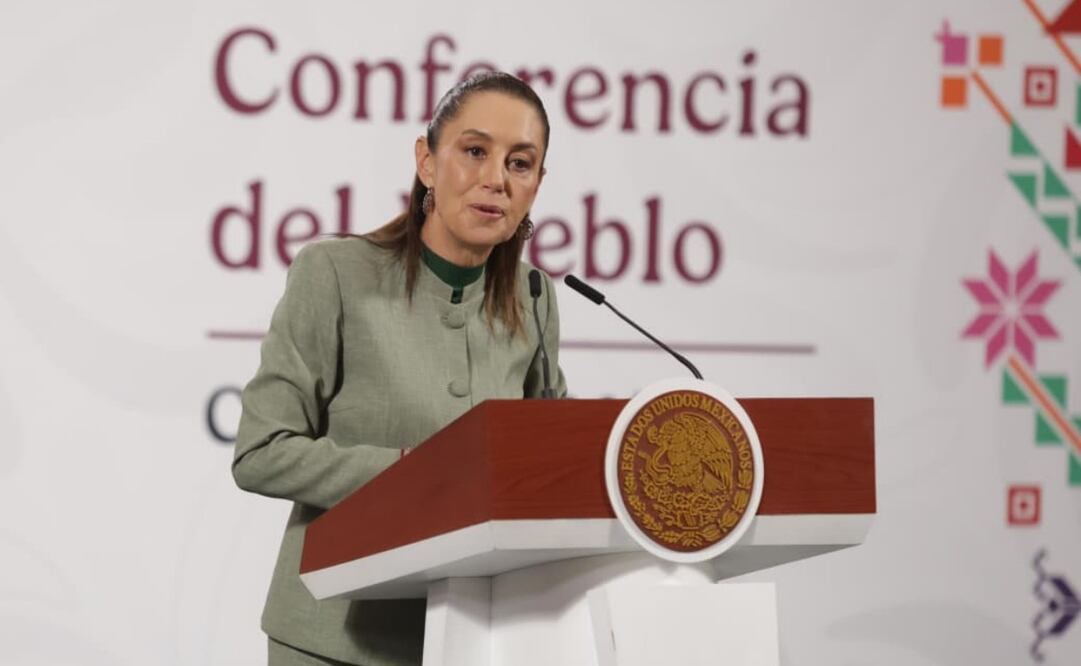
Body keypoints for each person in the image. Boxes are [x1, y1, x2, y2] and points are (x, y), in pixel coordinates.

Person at [231, 71, 568, 666]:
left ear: (537, 185)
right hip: (332, 637)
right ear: (427, 162)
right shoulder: (334, 273)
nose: (495, 179)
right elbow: (262, 451)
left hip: (474, 639)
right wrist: (414, 474)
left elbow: (545, 470)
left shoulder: (535, 297)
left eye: (520, 164)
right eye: (473, 151)